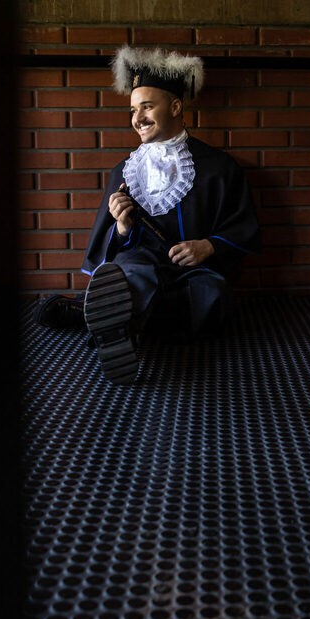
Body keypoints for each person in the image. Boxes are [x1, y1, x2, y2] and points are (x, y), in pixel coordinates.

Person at [35, 46, 261, 384]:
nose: (137, 118)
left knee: (212, 298)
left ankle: (95, 317)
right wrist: (123, 227)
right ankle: (119, 329)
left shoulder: (219, 168)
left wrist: (208, 246)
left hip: (192, 273)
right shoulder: (124, 173)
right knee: (133, 272)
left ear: (174, 106)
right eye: (132, 110)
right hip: (141, 264)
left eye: (147, 107)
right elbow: (109, 245)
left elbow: (244, 227)